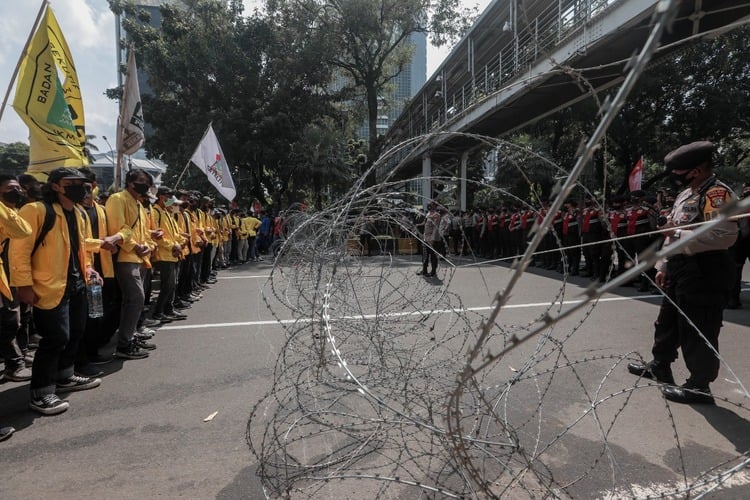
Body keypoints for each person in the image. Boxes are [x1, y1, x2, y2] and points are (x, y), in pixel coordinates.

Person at [627, 141, 737, 405]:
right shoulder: (687, 194)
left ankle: (699, 386)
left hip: (705, 270)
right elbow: (672, 233)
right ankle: (661, 364)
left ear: (696, 171)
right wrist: (664, 265)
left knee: (698, 327)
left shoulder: (717, 195)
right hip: (681, 268)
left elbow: (724, 236)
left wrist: (676, 232)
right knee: (667, 321)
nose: (675, 178)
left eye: (679, 172)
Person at [10, 168, 103, 415]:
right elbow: (19, 251)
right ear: (54, 186)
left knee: (75, 332)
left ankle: (64, 376)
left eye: (82, 183)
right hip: (47, 286)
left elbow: (80, 246)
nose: (80, 187)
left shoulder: (79, 213)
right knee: (55, 339)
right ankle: (41, 392)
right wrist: (24, 285)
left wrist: (89, 269)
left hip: (76, 283)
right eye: (70, 183)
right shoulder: (37, 211)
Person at [105, 168, 155, 360]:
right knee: (135, 299)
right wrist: (136, 247)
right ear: (130, 182)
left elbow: (146, 232)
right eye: (142, 181)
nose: (146, 185)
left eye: (147, 182)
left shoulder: (140, 205)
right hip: (126, 258)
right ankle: (124, 344)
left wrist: (148, 246)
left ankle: (130, 337)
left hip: (141, 258)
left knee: (134, 302)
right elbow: (117, 229)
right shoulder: (118, 199)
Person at [0, 175, 32, 382]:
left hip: (10, 272)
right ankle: (14, 363)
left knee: (16, 318)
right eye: (12, 188)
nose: (18, 192)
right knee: (10, 320)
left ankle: (17, 356)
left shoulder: (11, 212)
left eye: (19, 188)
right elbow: (23, 230)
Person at [417, 202, 441, 277]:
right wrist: (417, 225)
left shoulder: (436, 215)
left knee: (433, 256)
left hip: (433, 240)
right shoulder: (428, 214)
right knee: (425, 255)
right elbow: (425, 223)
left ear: (434, 206)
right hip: (426, 238)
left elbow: (435, 228)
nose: (428, 205)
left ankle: (433, 271)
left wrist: (432, 239)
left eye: (430, 204)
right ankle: (424, 270)